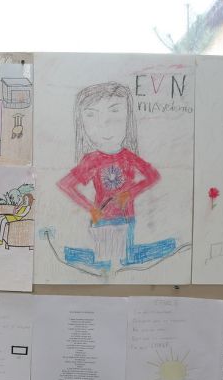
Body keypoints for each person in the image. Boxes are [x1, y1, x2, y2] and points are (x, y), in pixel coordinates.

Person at [57, 82, 176, 271]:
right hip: (102, 219)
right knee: (105, 260)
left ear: (128, 119)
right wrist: (91, 208)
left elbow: (153, 175)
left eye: (114, 113)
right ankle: (70, 254)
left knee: (125, 258)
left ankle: (169, 246)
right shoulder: (92, 160)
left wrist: (130, 193)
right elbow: (65, 185)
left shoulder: (128, 157)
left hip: (127, 217)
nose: (105, 125)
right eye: (91, 115)